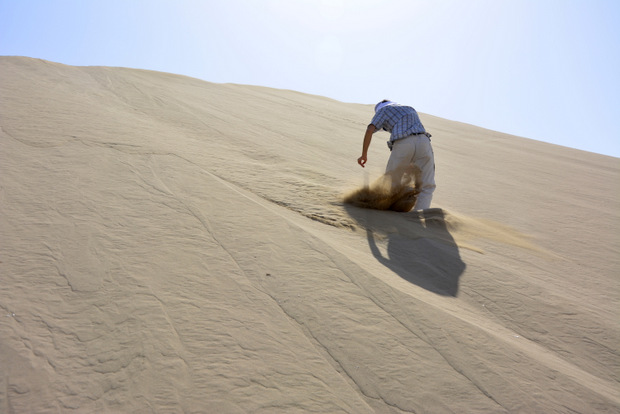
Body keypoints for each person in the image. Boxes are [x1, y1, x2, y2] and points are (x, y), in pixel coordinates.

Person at [357, 100, 436, 211]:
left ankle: (388, 210)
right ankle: (418, 215)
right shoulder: (410, 108)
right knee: (427, 184)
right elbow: (414, 141)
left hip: (403, 142)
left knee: (392, 180)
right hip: (424, 142)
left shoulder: (383, 110)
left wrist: (364, 155)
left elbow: (370, 129)